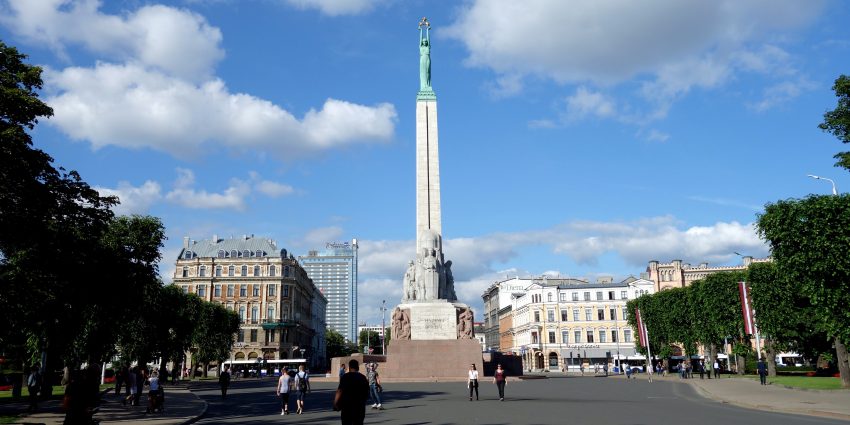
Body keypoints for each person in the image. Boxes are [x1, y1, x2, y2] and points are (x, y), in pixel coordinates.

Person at [334, 359, 369, 425]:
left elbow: (339, 391)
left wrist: (335, 403)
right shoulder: (363, 378)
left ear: (349, 367)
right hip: (359, 407)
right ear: (358, 367)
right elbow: (367, 393)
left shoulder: (345, 377)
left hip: (347, 407)